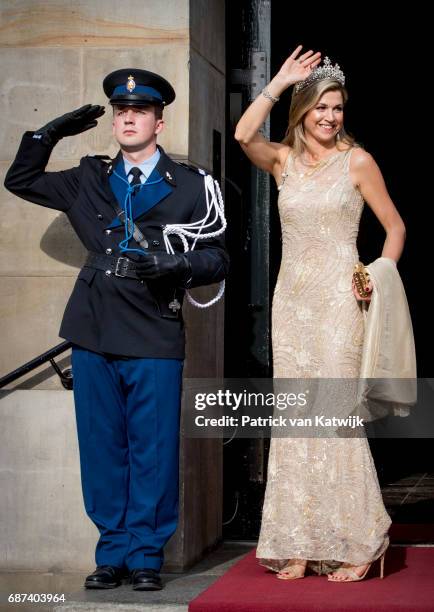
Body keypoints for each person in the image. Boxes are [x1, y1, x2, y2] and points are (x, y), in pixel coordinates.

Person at [5, 69, 228, 590]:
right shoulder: (88, 178)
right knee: (103, 447)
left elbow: (218, 257)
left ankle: (147, 554)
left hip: (153, 329)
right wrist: (47, 135)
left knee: (151, 448)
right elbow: (20, 181)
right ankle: (112, 553)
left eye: (140, 111)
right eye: (120, 111)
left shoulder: (193, 186)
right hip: (94, 328)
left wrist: (174, 267)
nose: (129, 117)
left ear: (159, 121)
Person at [235, 46, 406, 582]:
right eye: (321, 108)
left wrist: (374, 274)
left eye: (337, 108)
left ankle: (360, 542)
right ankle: (301, 541)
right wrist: (279, 81)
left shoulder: (357, 161)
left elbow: (396, 228)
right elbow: (243, 135)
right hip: (292, 304)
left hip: (338, 302)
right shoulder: (283, 161)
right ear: (303, 111)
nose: (331, 117)